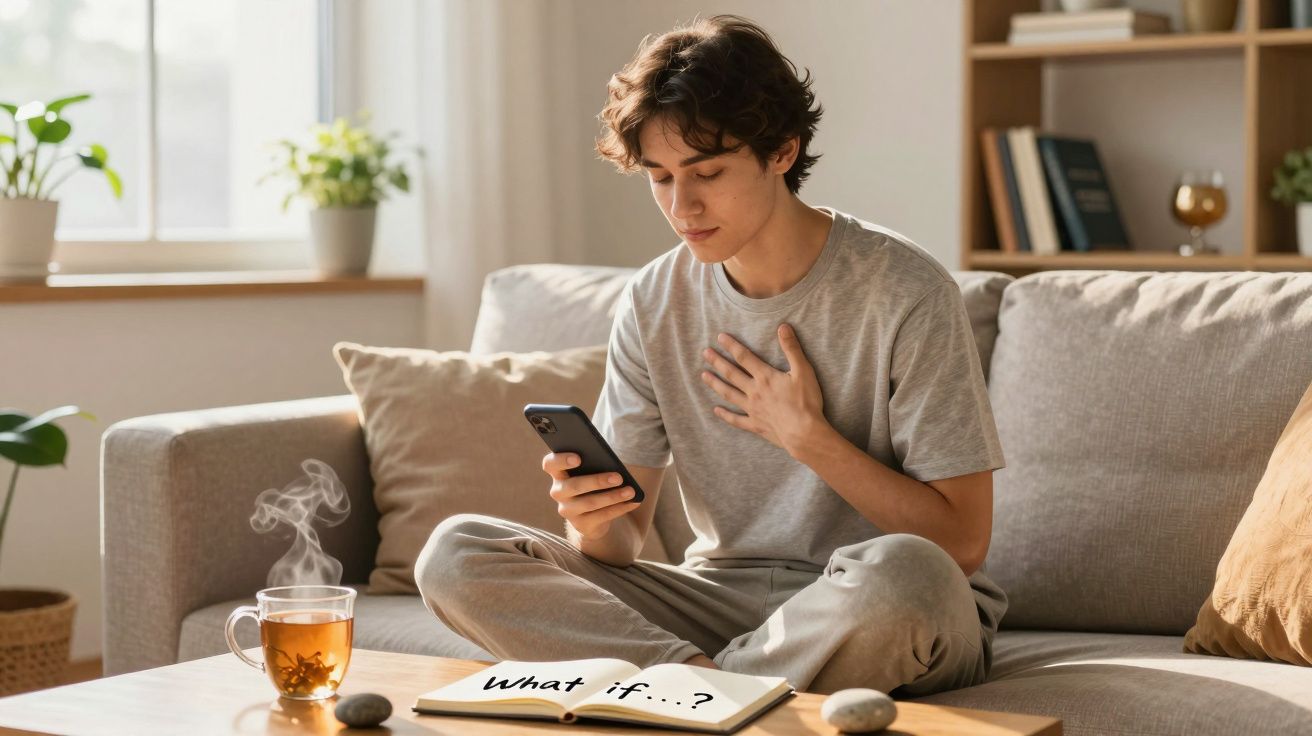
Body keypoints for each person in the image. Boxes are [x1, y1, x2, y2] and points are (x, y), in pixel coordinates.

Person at [415, 14, 1007, 696]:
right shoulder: (653, 299)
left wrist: (809, 438)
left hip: (871, 603)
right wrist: (590, 515)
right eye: (660, 177)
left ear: (782, 152)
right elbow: (620, 548)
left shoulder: (904, 289)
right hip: (716, 604)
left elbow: (961, 545)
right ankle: (709, 686)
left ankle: (689, 693)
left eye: (708, 171)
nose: (682, 205)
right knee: (457, 552)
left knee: (911, 574)